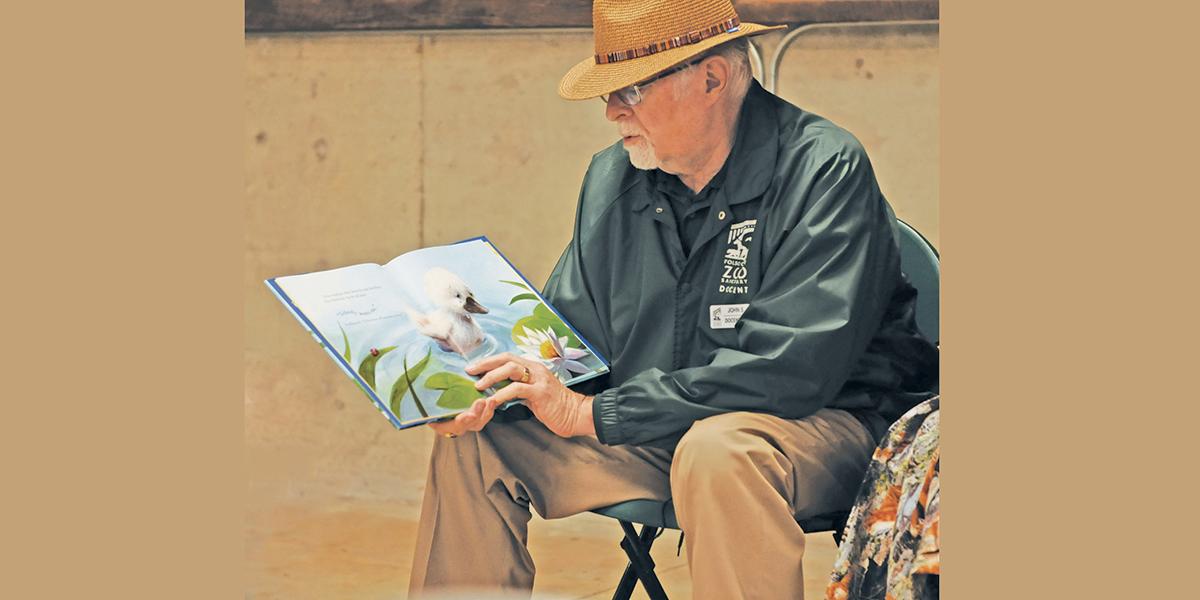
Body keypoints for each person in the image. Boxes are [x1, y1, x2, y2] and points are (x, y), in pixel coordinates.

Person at [408, 1, 938, 598]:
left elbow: (790, 372)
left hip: (825, 427)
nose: (611, 112)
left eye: (630, 89)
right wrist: (487, 389)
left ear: (711, 79)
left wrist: (594, 415)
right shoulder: (613, 178)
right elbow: (566, 345)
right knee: (477, 445)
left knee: (718, 453)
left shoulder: (823, 168)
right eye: (607, 94)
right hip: (658, 428)